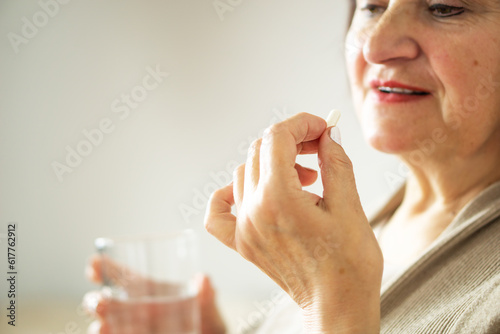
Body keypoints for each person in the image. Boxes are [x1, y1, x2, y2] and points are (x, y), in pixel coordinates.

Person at [83, 0, 500, 332]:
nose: (375, 45)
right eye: (371, 6)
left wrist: (331, 304)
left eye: (445, 7)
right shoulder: (368, 224)